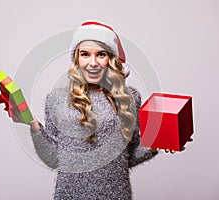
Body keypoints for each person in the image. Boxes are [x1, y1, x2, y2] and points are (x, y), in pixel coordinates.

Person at [11, 21, 161, 200]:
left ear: (111, 59)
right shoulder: (57, 99)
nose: (93, 63)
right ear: (76, 59)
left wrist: (154, 146)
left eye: (101, 55)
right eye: (85, 54)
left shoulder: (129, 98)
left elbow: (128, 157)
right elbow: (53, 158)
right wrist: (32, 124)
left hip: (116, 195)